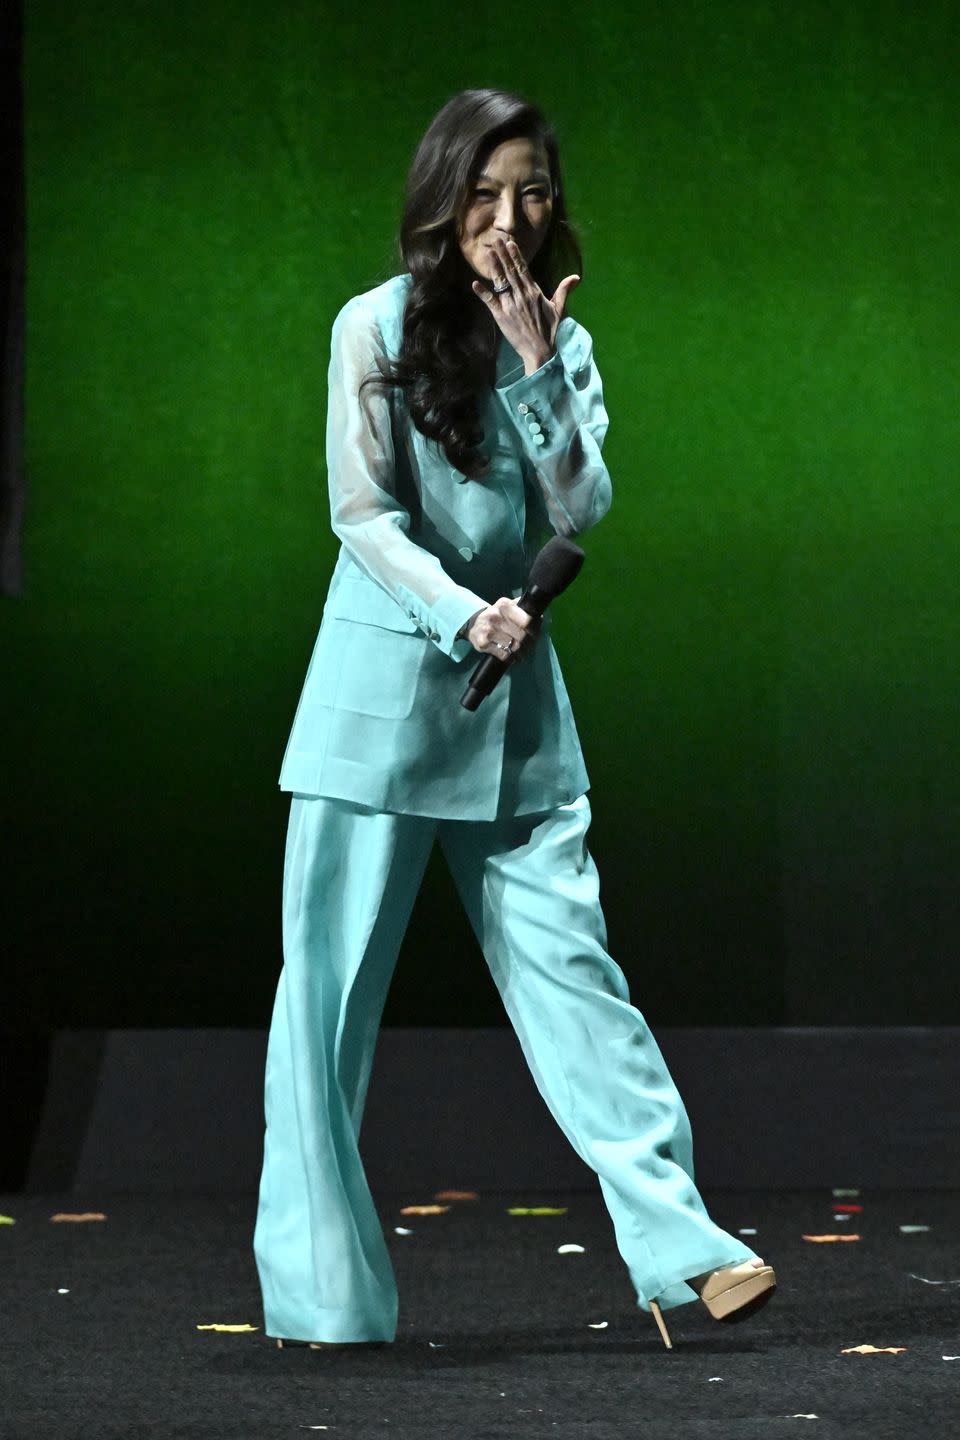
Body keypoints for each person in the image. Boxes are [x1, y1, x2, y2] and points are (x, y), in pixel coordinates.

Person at [253, 87, 776, 1353]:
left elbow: (580, 505)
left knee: (580, 982)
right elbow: (361, 514)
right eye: (483, 194)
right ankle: (323, 1300)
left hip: (519, 716)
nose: (507, 219)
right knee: (323, 1011)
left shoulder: (564, 339)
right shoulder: (369, 325)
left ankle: (681, 1248)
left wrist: (540, 368)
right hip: (383, 702)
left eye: (531, 192)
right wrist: (459, 614)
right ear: (440, 200)